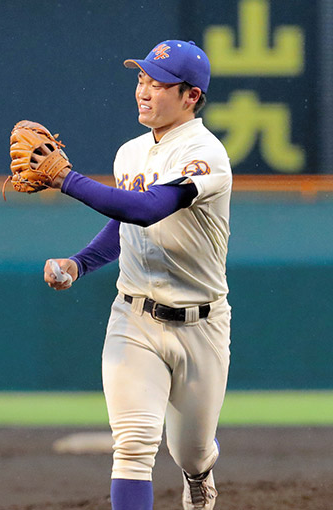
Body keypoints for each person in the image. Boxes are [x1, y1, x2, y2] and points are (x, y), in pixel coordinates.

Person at [40, 40, 231, 510]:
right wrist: (79, 263)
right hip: (135, 317)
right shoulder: (131, 153)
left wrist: (68, 179)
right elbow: (125, 224)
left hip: (200, 325)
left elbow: (148, 209)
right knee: (132, 447)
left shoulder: (207, 155)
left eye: (158, 83)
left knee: (191, 449)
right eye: (141, 79)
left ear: (191, 96)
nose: (144, 91)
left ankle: (199, 473)